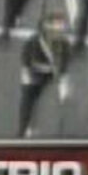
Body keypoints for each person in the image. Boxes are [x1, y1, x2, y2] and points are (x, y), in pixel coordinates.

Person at [17, 10, 72, 138]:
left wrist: (64, 81)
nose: (61, 30)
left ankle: (34, 126)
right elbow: (27, 60)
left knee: (44, 101)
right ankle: (22, 130)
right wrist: (27, 73)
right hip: (33, 76)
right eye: (58, 25)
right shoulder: (35, 42)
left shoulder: (64, 44)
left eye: (62, 26)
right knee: (27, 102)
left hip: (49, 77)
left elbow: (65, 62)